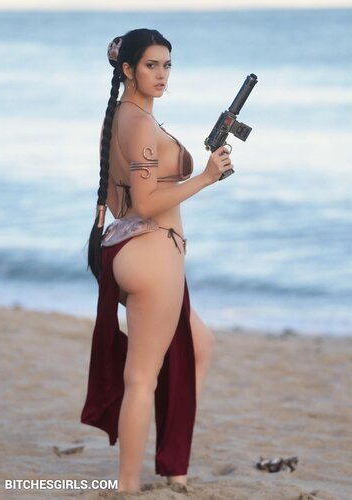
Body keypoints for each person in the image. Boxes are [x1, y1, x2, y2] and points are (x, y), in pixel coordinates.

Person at [80, 28, 234, 493]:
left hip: (126, 249)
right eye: (151, 65)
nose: (162, 74)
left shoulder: (119, 117)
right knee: (142, 378)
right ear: (128, 69)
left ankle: (173, 466)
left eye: (167, 65)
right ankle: (128, 485)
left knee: (198, 345)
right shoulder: (141, 124)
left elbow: (121, 198)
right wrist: (206, 176)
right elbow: (147, 203)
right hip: (153, 254)